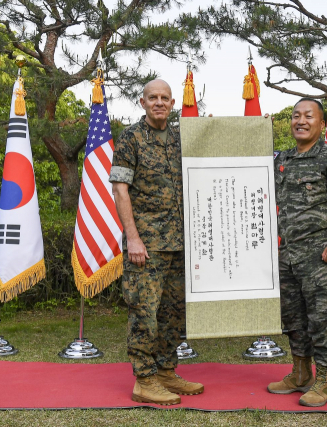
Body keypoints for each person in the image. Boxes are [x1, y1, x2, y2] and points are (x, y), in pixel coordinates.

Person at [110, 79, 203, 406]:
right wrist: (132, 238)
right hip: (146, 245)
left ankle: (165, 370)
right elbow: (121, 189)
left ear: (173, 102)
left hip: (180, 242)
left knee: (173, 313)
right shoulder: (131, 138)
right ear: (143, 102)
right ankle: (144, 379)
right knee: (145, 313)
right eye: (153, 98)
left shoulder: (180, 137)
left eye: (165, 98)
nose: (159, 103)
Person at [269, 98, 327, 407]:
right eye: (296, 116)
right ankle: (301, 373)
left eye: (309, 116)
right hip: (286, 256)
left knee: (322, 320)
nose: (301, 121)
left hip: (321, 257)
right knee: (293, 318)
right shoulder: (282, 159)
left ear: (322, 124)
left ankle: (326, 382)